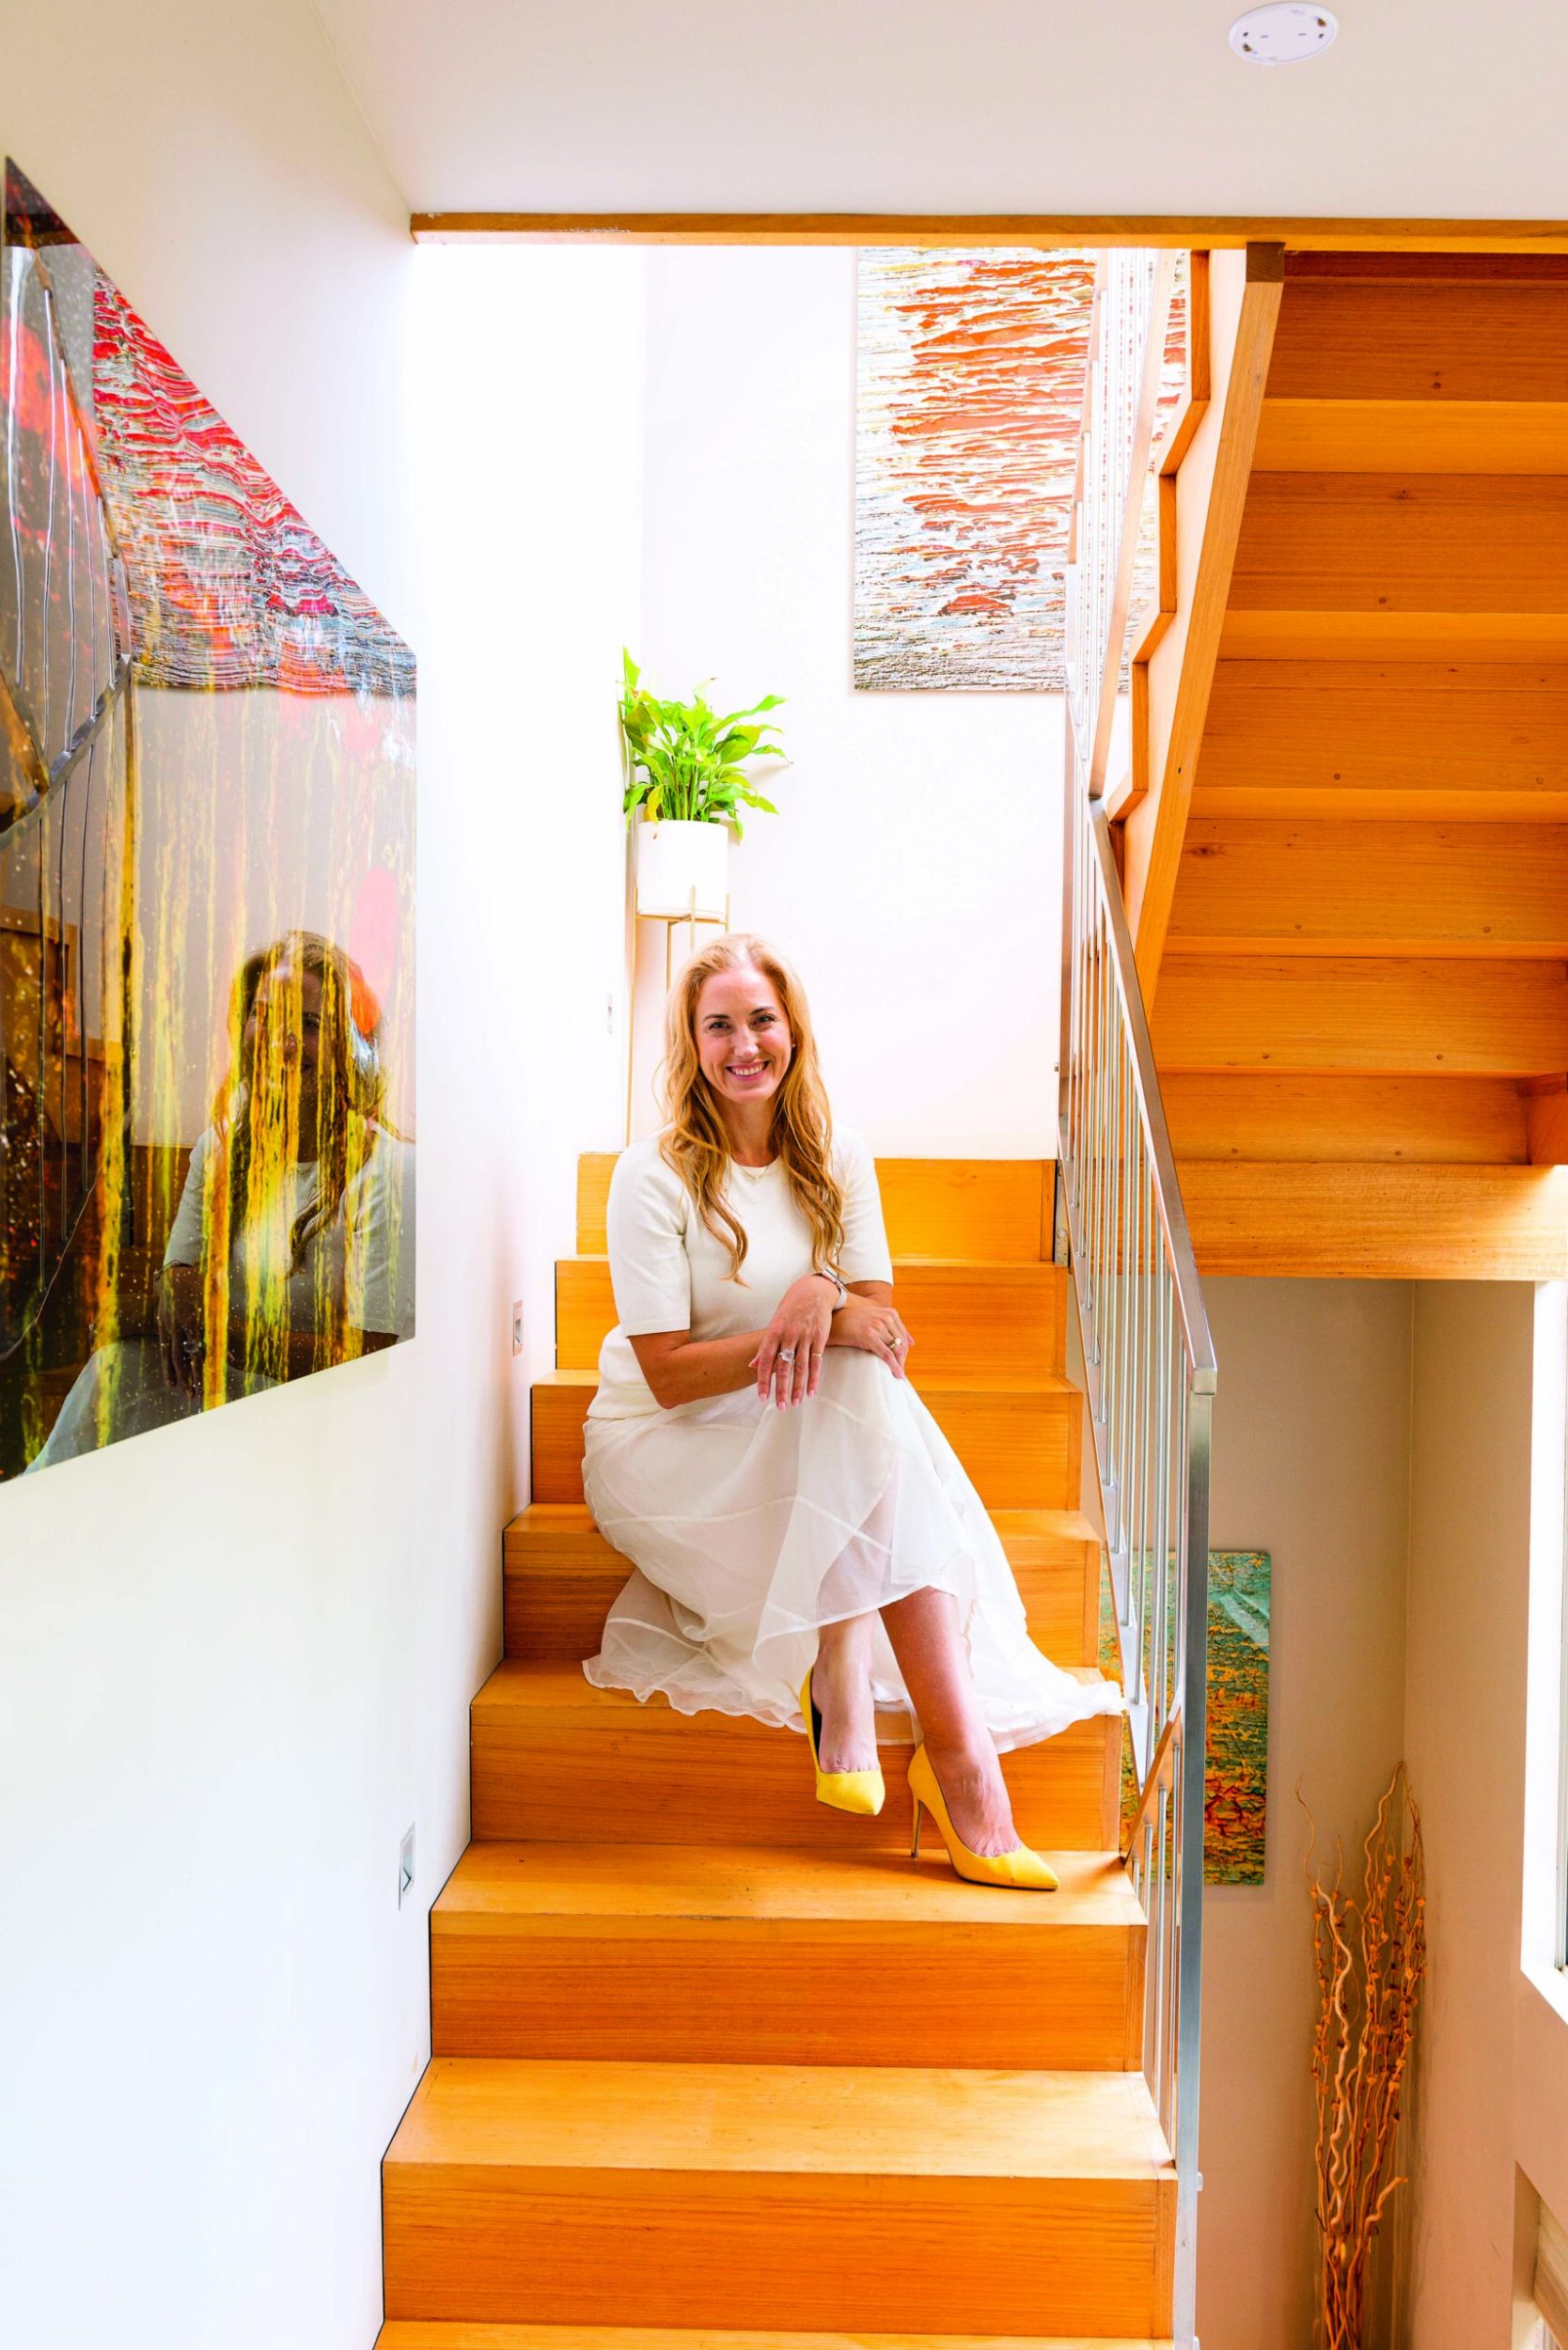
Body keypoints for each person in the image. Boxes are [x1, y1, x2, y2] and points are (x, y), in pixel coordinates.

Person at [582, 932, 1121, 1889]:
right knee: (853, 1388)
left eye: (761, 1019)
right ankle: (944, 1756)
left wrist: (820, 1294)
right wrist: (809, 1321)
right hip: (676, 1438)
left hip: (795, 1419)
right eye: (719, 1025)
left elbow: (879, 1326)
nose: (744, 1043)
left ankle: (917, 1723)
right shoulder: (652, 1175)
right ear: (692, 1045)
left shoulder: (836, 1156)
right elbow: (666, 1373)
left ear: (792, 1031)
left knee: (866, 1381)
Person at [26, 931, 413, 1469]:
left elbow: (373, 1362)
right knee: (119, 1368)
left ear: (352, 1048)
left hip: (334, 1422)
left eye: (311, 1024)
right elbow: (175, 1275)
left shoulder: (389, 1172)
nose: (284, 1041)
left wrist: (214, 1331)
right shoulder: (222, 1148)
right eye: (267, 1016)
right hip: (231, 1390)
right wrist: (176, 1283)